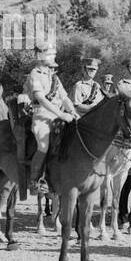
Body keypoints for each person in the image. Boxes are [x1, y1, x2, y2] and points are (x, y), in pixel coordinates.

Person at [25, 40, 75, 191]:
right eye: (50, 54)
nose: (52, 57)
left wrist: (73, 112)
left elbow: (65, 98)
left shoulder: (53, 76)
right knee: (44, 145)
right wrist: (61, 113)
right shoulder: (35, 74)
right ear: (41, 55)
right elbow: (40, 98)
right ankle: (35, 180)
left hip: (58, 116)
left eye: (53, 54)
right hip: (41, 115)